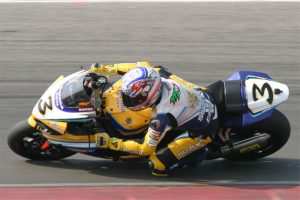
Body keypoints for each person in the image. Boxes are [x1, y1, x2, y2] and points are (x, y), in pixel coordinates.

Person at [93, 62, 219, 176]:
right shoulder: (155, 73)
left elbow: (145, 149)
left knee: (157, 166)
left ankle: (203, 151)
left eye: (132, 98)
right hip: (203, 94)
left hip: (203, 131)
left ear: (149, 95)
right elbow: (137, 67)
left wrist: (111, 143)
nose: (126, 100)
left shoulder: (161, 117)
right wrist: (107, 69)